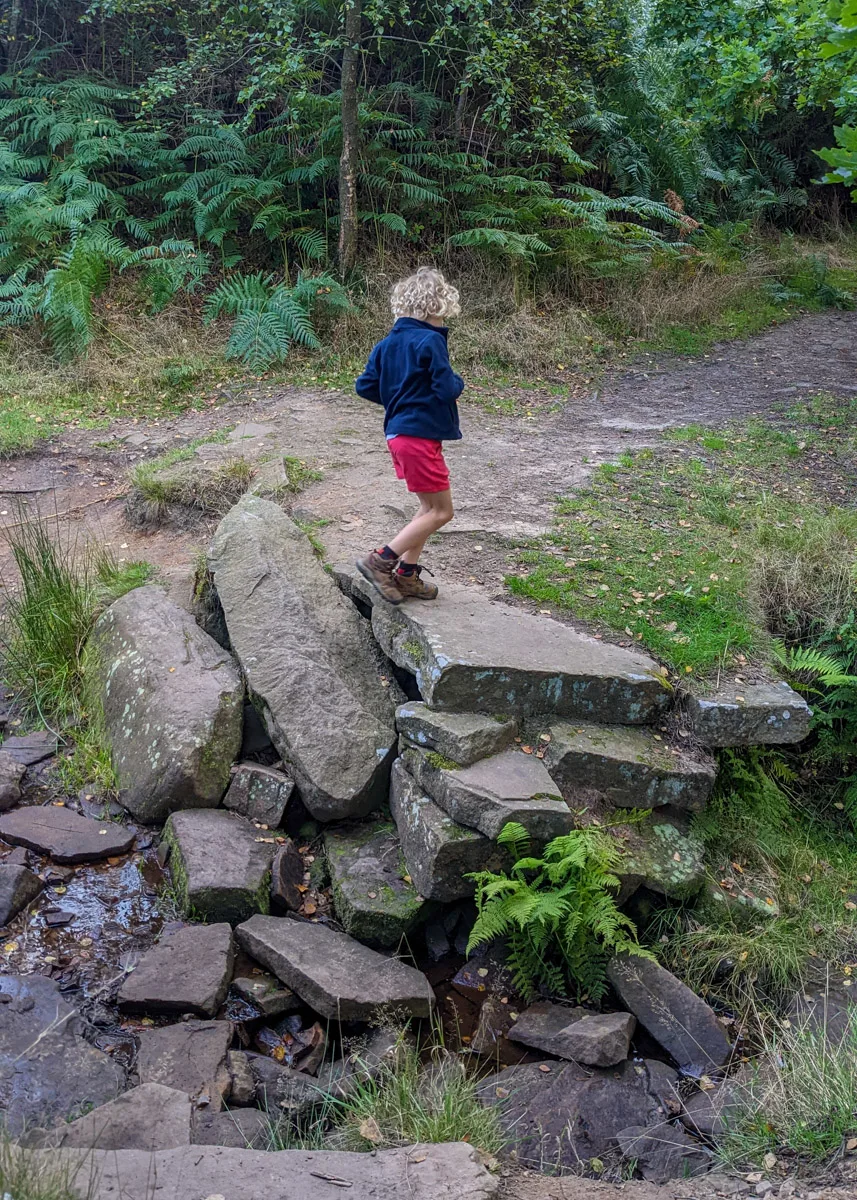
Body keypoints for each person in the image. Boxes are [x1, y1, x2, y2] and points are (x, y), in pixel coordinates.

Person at [354, 266, 463, 603]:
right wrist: (458, 383)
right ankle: (381, 561)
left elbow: (365, 386)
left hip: (399, 435)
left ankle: (405, 574)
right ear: (435, 307)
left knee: (427, 509)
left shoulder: (386, 344)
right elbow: (447, 388)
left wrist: (399, 399)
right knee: (442, 512)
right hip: (419, 437)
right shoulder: (430, 340)